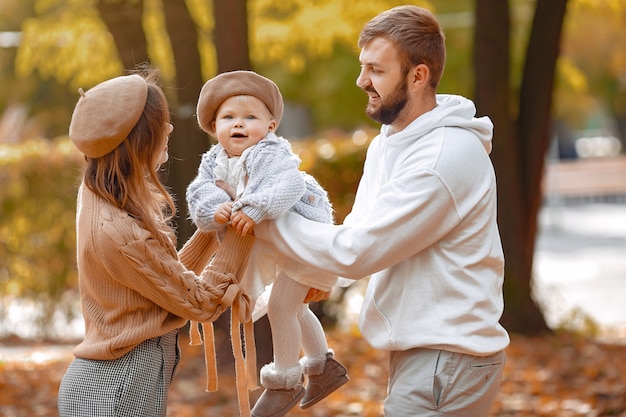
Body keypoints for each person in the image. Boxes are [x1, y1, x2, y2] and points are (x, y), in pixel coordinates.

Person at [254, 5, 510, 417]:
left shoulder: (443, 157)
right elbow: (358, 236)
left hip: (448, 360)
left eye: (376, 70)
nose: (361, 81)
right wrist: (293, 283)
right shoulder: (389, 141)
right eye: (362, 67)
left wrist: (265, 221)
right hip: (423, 356)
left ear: (418, 75)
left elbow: (358, 252)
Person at [57, 69, 246, 417]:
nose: (171, 130)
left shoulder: (100, 195)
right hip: (115, 395)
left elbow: (167, 280)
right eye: (162, 125)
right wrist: (240, 229)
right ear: (140, 140)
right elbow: (201, 304)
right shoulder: (118, 232)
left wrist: (214, 221)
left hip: (108, 388)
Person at [186, 70, 349, 417]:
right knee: (295, 308)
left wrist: (254, 207)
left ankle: (285, 382)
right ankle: (323, 368)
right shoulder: (212, 161)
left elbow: (287, 185)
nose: (238, 124)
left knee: (281, 307)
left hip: (303, 238)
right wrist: (216, 210)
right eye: (228, 117)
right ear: (214, 127)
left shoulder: (271, 153)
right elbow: (199, 193)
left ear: (271, 126)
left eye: (250, 117)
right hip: (283, 247)